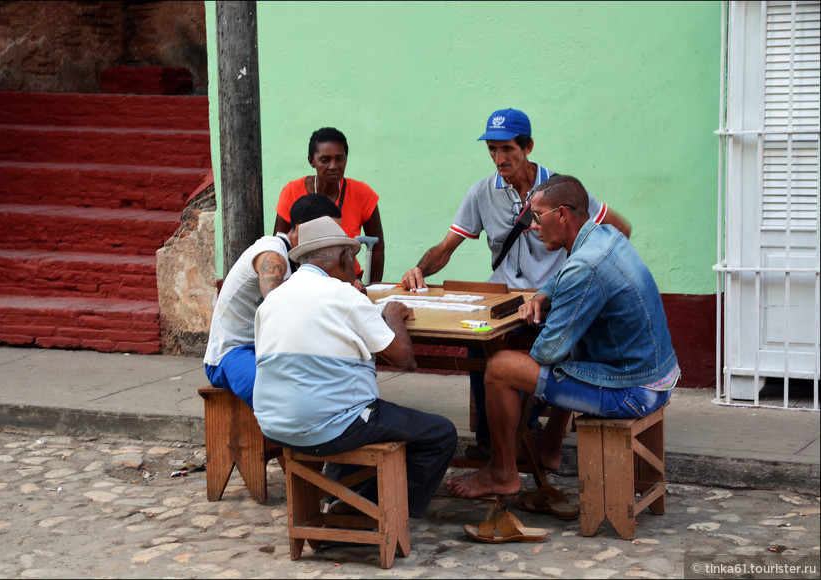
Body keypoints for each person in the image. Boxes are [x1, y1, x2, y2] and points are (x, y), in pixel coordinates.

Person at [400, 107, 633, 464]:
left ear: (527, 147)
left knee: (559, 348)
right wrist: (417, 270)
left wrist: (575, 276)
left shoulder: (559, 190)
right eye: (492, 149)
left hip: (549, 297)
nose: (499, 158)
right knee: (479, 341)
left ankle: (527, 430)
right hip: (502, 297)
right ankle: (492, 441)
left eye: (507, 148)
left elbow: (620, 229)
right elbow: (447, 247)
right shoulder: (480, 193)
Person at [447, 175, 680, 499]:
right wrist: (542, 297)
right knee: (575, 349)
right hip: (658, 377)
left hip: (634, 392)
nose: (531, 226)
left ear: (562, 215)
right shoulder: (605, 236)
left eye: (537, 216)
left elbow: (547, 352)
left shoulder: (586, 266)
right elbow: (565, 275)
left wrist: (528, 360)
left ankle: (501, 473)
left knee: (501, 367)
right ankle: (548, 448)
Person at [253, 216, 457, 518]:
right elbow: (403, 358)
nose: (356, 266)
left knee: (347, 409)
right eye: (353, 257)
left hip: (274, 426)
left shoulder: (272, 298)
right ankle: (365, 511)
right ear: (341, 257)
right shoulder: (344, 295)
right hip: (329, 426)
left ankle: (342, 499)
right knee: (440, 434)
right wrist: (391, 314)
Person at [202, 194, 342, 408]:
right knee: (280, 400)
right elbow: (277, 307)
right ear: (302, 229)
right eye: (328, 232)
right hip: (233, 353)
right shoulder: (272, 251)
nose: (333, 240)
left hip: (271, 349)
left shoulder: (304, 260)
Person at [273, 127, 385, 284]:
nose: (333, 166)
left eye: (339, 159)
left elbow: (377, 248)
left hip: (348, 281)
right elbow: (280, 245)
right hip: (303, 280)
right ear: (311, 161)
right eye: (325, 160)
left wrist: (372, 287)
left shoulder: (362, 193)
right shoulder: (292, 192)